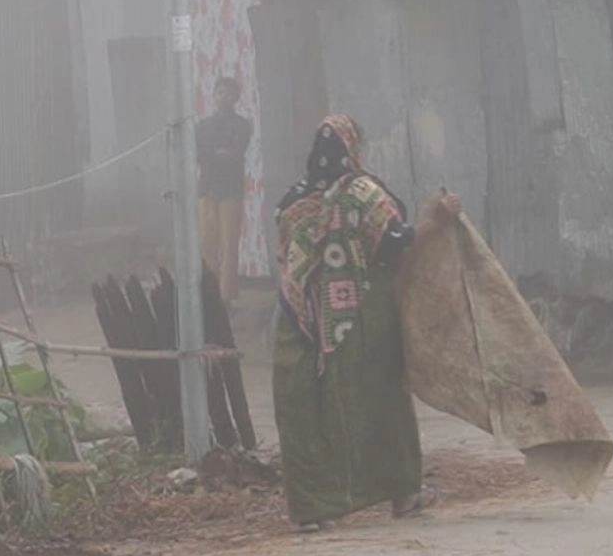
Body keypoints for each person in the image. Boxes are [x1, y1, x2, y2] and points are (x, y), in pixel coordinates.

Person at [271, 114, 461, 531]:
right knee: (382, 402)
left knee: (305, 411)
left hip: (298, 321)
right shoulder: (363, 193)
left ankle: (312, 509)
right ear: (353, 148)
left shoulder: (291, 200)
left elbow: (288, 256)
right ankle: (403, 494)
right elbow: (396, 245)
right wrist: (438, 219)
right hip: (359, 315)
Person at [195, 78, 252, 306]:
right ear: (213, 96)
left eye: (228, 94)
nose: (223, 97)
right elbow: (198, 154)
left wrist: (214, 154)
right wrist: (219, 152)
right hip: (206, 188)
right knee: (207, 242)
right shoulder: (202, 126)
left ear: (236, 97)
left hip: (231, 190)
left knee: (229, 244)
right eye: (219, 93)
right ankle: (209, 294)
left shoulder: (242, 125)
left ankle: (226, 296)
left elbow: (236, 153)